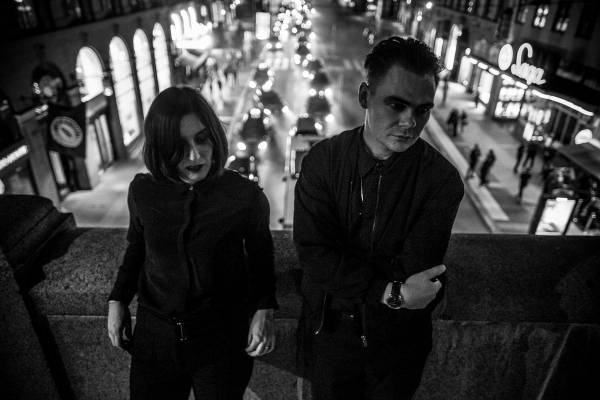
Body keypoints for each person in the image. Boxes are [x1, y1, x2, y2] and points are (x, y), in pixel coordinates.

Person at [293, 36, 464, 400]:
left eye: (422, 109)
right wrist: (391, 292)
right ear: (364, 96)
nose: (409, 122)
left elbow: (417, 269)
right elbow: (315, 255)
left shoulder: (441, 181)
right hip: (330, 336)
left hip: (396, 351)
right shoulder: (323, 161)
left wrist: (356, 282)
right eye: (397, 105)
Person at [107, 87, 277, 400]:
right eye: (179, 146)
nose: (195, 155)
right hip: (155, 339)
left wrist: (264, 308)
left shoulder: (245, 195)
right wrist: (118, 299)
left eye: (202, 139)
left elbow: (261, 255)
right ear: (160, 147)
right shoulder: (143, 191)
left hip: (222, 341)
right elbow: (137, 247)